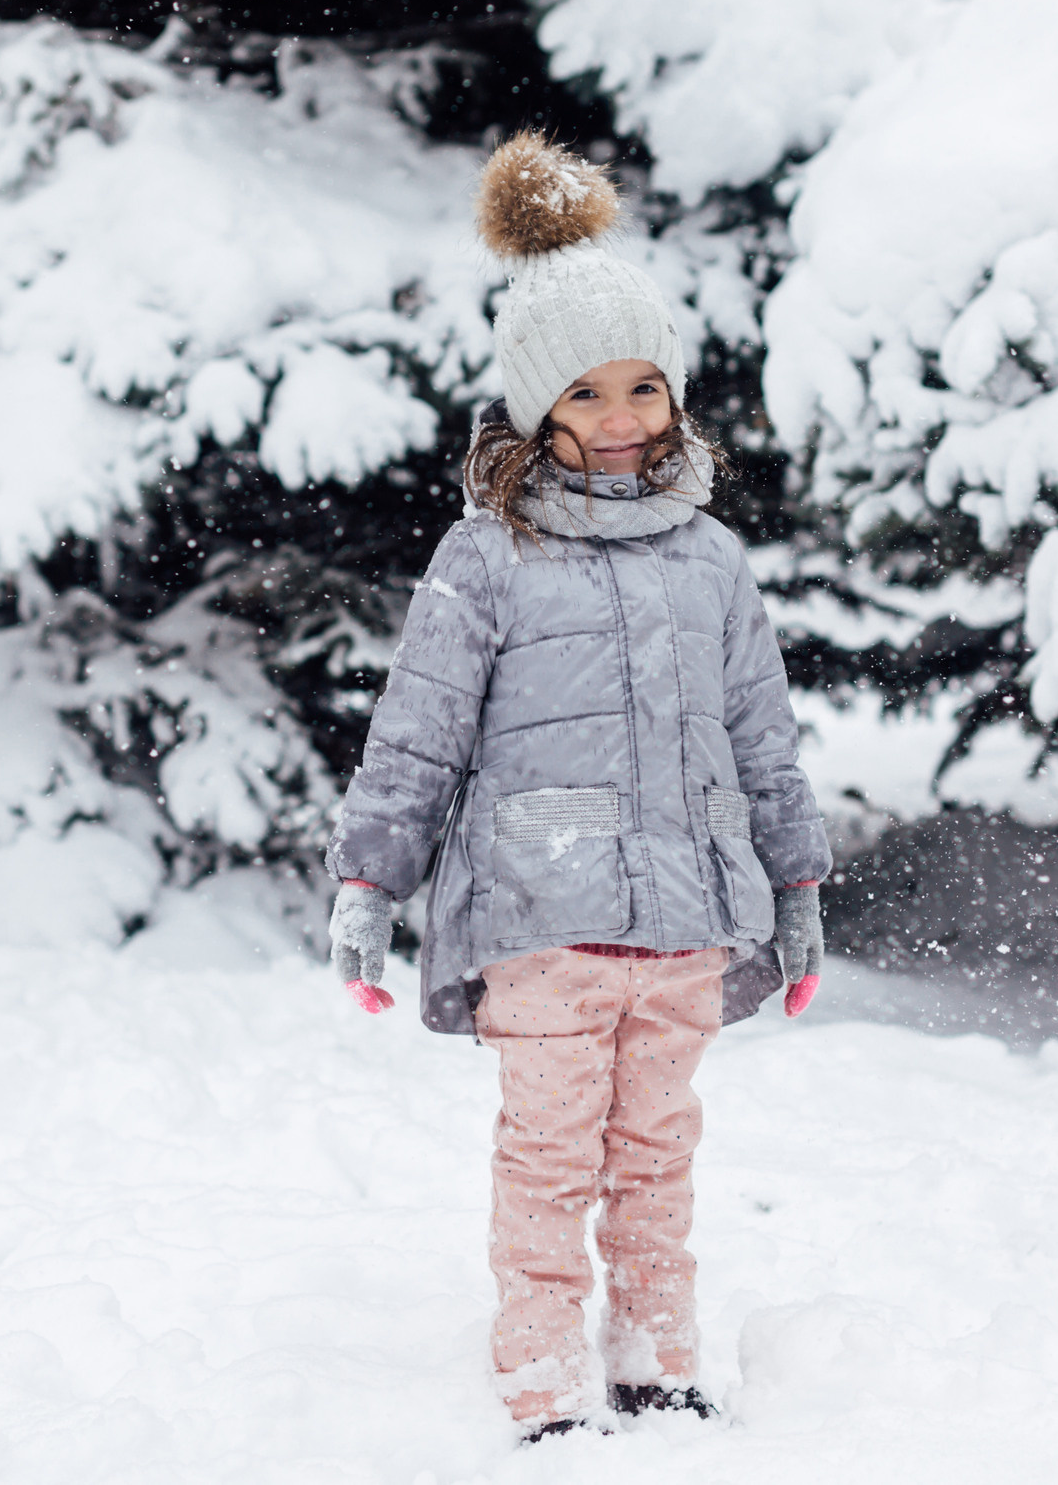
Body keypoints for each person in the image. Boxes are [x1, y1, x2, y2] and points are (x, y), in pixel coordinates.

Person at [325, 131, 831, 1442]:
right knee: (550, 1161)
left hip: (686, 921)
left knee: (658, 1160)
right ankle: (544, 1383)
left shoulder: (711, 559)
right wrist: (371, 879)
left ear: (675, 396)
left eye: (644, 388)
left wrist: (796, 881)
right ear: (538, 410)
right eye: (588, 393)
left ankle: (658, 1363)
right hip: (543, 921)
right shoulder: (487, 555)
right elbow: (419, 732)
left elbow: (761, 734)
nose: (620, 419)